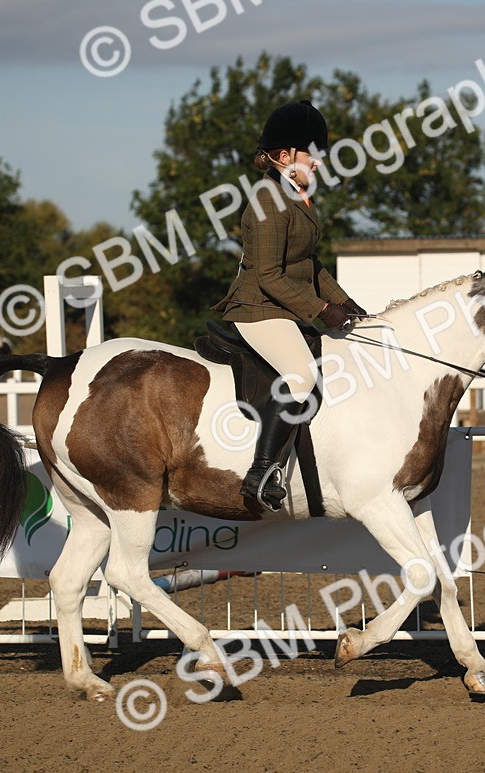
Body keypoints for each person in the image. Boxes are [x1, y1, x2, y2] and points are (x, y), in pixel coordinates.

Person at [212, 100, 367, 511]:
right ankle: (260, 472)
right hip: (257, 307)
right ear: (284, 157)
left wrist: (345, 302)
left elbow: (307, 265)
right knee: (300, 375)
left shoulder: (298, 197)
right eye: (312, 154)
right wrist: (321, 310)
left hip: (283, 305)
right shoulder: (267, 200)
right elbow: (268, 275)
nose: (319, 161)